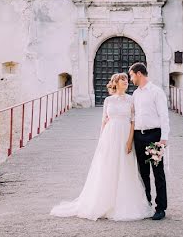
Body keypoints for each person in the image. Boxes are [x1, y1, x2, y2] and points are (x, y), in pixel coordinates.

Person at [49, 72, 152, 221]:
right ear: (115, 83)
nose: (125, 81)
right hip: (110, 136)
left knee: (125, 167)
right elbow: (104, 121)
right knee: (107, 167)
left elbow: (133, 121)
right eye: (122, 79)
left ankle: (123, 202)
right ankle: (105, 202)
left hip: (124, 135)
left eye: (126, 79)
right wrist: (101, 141)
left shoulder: (131, 99)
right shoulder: (108, 100)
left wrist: (130, 141)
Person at [129, 62, 169, 220]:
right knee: (143, 173)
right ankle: (146, 204)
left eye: (131, 75)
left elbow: (164, 115)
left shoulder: (156, 92)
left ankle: (161, 208)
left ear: (139, 74)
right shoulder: (135, 94)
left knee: (158, 172)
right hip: (139, 136)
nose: (131, 79)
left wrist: (164, 138)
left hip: (154, 136)